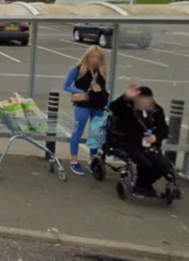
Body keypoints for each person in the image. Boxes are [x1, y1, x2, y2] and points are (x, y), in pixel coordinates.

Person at [109, 84, 173, 198]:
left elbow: (163, 128)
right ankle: (141, 185)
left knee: (163, 165)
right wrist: (125, 97)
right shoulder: (127, 108)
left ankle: (144, 184)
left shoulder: (156, 110)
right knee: (145, 163)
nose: (146, 103)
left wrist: (155, 137)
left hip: (149, 144)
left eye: (148, 100)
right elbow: (113, 107)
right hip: (129, 142)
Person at [62, 45, 110, 176]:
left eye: (98, 57)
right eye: (92, 56)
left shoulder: (102, 71)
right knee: (78, 131)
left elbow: (104, 88)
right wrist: (81, 91)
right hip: (83, 105)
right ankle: (74, 160)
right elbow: (66, 86)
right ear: (87, 56)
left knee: (95, 133)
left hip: (98, 105)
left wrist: (108, 101)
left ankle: (92, 160)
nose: (95, 59)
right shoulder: (77, 69)